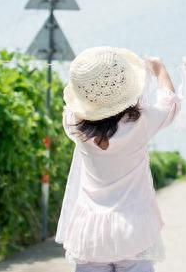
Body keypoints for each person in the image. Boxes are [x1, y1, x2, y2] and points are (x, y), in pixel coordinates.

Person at [55, 46, 179, 272]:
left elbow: (71, 108)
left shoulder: (74, 127)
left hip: (89, 233)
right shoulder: (141, 124)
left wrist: (89, 87)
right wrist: (159, 68)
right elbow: (170, 103)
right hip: (133, 229)